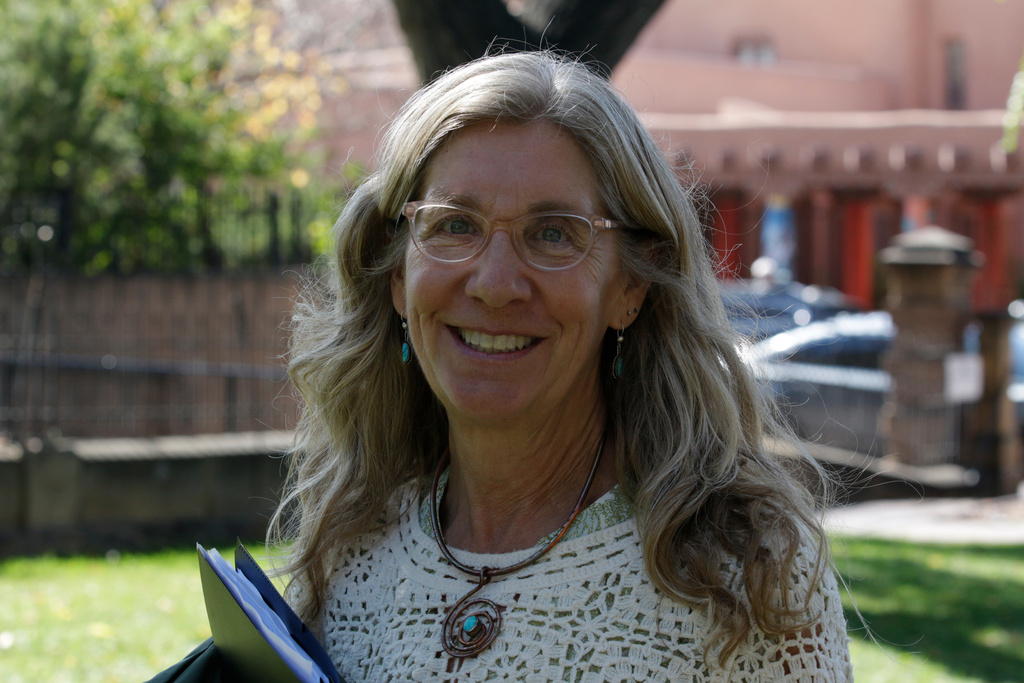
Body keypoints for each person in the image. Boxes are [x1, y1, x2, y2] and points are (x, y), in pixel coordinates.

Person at [271, 50, 852, 681]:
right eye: (454, 225)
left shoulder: (747, 578)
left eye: (552, 233)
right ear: (396, 273)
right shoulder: (351, 547)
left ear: (632, 286)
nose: (495, 284)